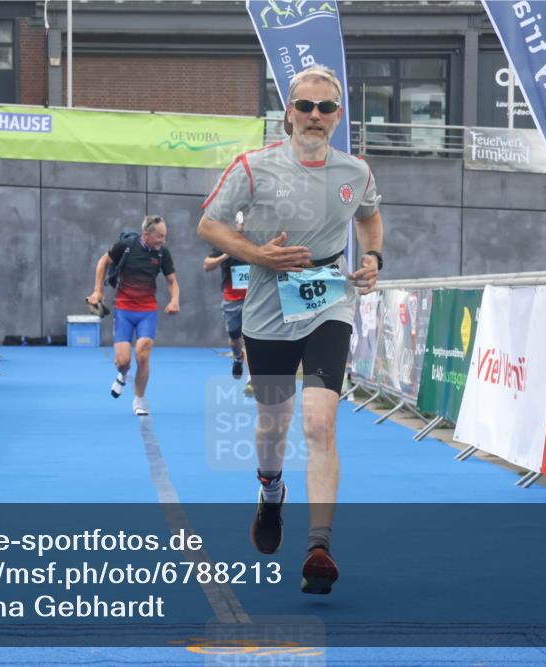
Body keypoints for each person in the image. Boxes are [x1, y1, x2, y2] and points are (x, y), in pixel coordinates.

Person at [197, 65, 384, 594]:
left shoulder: (356, 173)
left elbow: (369, 218)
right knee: (273, 425)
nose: (315, 116)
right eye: (306, 106)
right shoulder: (253, 168)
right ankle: (270, 490)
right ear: (289, 113)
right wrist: (259, 254)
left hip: (330, 298)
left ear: (339, 116)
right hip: (266, 306)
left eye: (326, 108)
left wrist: (372, 256)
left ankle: (319, 547)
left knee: (320, 423)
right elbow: (208, 224)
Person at [86, 215, 180, 417]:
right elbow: (104, 261)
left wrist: (174, 300)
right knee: (123, 361)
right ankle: (122, 374)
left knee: (143, 355)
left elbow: (172, 281)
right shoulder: (126, 246)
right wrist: (98, 291)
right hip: (124, 310)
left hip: (147, 310)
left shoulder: (163, 253)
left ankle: (139, 399)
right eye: (160, 236)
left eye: (165, 236)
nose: (163, 241)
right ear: (147, 234)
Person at [203, 211, 249, 380]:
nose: (243, 228)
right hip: (231, 300)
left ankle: (253, 379)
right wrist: (225, 255)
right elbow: (207, 265)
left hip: (253, 299)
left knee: (252, 338)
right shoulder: (224, 243)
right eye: (240, 224)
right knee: (235, 340)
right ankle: (237, 357)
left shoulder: (255, 242)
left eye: (245, 224)